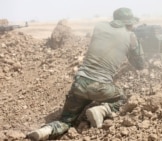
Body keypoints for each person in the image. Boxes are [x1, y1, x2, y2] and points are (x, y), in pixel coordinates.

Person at [27, 7, 145, 140]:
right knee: (123, 98)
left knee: (65, 121)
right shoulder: (130, 36)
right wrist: (136, 42)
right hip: (101, 87)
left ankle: (45, 130)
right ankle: (102, 110)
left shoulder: (99, 27)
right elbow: (140, 64)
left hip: (79, 83)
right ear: (129, 22)